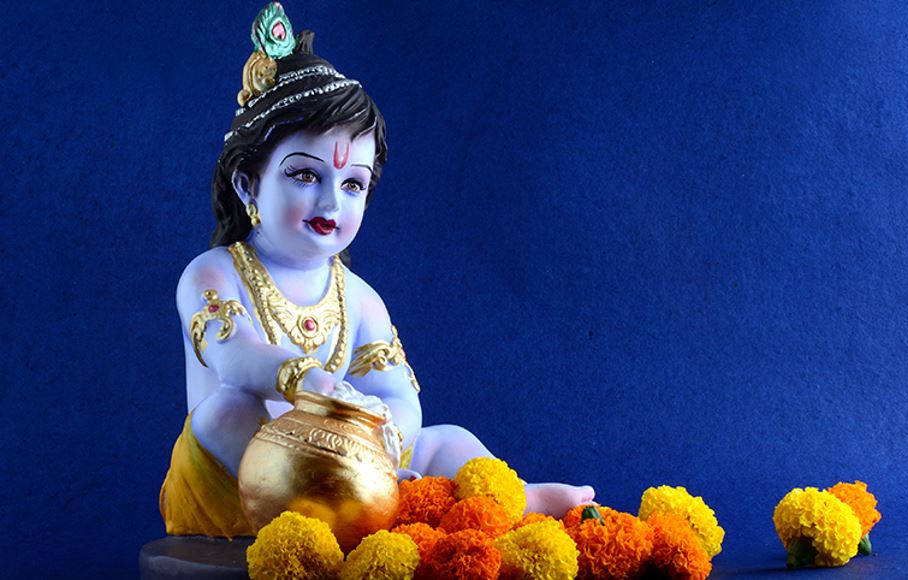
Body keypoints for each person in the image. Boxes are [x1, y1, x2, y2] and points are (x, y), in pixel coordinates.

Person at [160, 2, 594, 538]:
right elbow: (232, 357)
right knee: (225, 409)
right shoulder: (213, 273)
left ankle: (512, 498)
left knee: (445, 438)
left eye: (353, 185)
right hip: (238, 478)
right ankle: (365, 504)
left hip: (347, 455)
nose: (331, 203)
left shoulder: (359, 298)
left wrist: (383, 437)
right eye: (304, 176)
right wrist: (311, 382)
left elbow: (398, 395)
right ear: (248, 184)